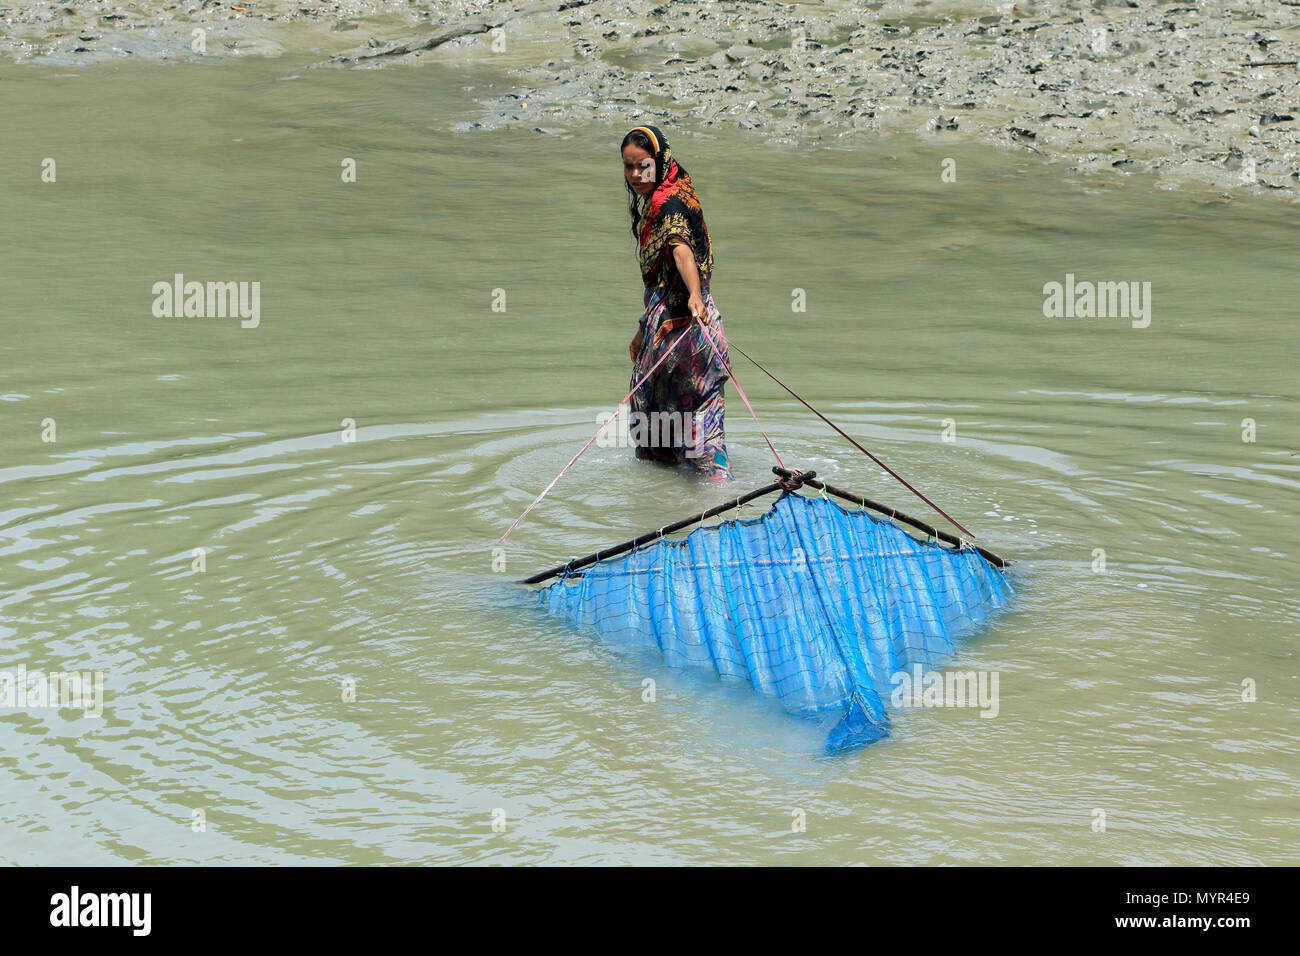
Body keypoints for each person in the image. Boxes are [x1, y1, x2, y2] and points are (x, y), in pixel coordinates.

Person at [620, 124, 733, 480]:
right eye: (629, 166)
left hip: (678, 337)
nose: (636, 175)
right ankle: (718, 493)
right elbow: (662, 282)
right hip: (699, 332)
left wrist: (694, 295)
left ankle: (670, 505)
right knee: (701, 428)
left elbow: (681, 249)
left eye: (643, 166)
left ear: (659, 161)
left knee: (657, 433)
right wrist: (642, 328)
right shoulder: (680, 187)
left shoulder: (665, 203)